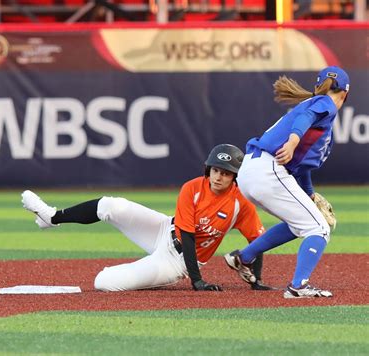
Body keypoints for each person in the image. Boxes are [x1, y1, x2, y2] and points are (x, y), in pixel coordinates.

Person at [21, 144, 273, 292]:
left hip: (180, 262)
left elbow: (259, 241)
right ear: (208, 170)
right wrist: (198, 282)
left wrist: (256, 281)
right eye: (215, 170)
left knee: (103, 281)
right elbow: (186, 232)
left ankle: (151, 274)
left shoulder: (241, 204)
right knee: (111, 205)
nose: (218, 177)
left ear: (234, 177)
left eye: (226, 173)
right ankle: (52, 217)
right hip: (164, 229)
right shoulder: (193, 188)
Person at [224, 66, 350, 298]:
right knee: (319, 227)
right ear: (345, 93)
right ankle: (298, 286)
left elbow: (302, 169)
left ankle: (244, 257)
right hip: (267, 169)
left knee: (300, 223)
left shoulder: (317, 110)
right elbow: (304, 119)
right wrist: (292, 141)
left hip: (251, 172)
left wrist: (310, 196)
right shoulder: (326, 104)